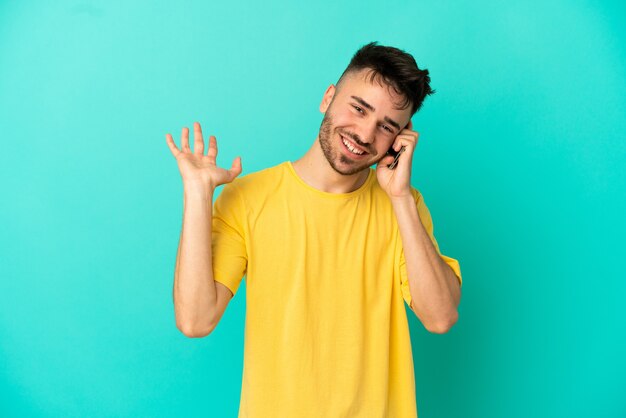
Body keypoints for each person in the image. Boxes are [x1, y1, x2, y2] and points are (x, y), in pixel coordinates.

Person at [166, 41, 462, 418]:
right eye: (359, 108)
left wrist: (401, 197)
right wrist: (197, 195)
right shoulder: (248, 199)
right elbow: (195, 319)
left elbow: (440, 317)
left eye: (386, 127)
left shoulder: (403, 206)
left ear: (400, 141)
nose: (365, 134)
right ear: (328, 98)